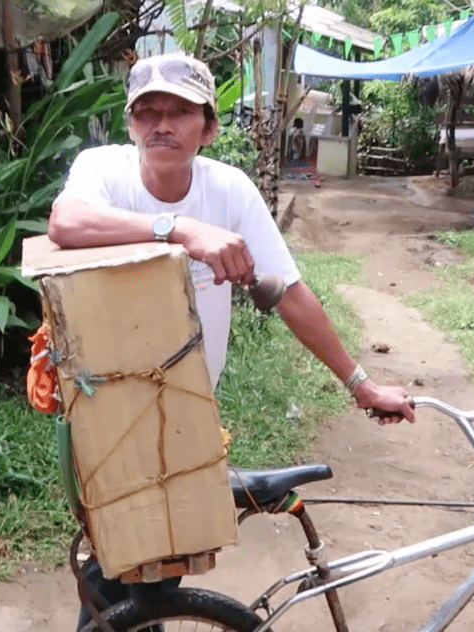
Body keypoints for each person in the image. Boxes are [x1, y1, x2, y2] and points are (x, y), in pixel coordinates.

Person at [47, 51, 415, 630]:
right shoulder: (105, 172)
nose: (160, 125)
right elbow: (65, 224)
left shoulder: (229, 189)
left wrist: (360, 384)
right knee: (123, 569)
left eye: (179, 112)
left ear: (209, 128)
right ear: (130, 124)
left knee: (149, 569)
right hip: (105, 416)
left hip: (184, 412)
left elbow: (288, 291)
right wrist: (181, 230)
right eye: (146, 113)